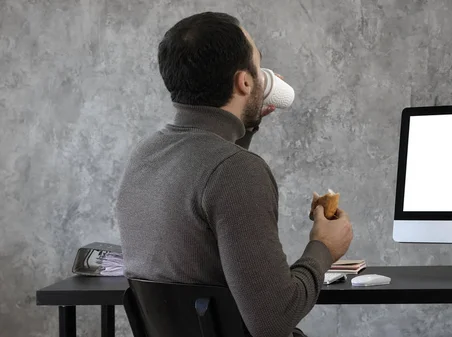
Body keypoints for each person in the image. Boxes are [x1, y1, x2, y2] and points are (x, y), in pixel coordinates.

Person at [116, 12, 354, 337]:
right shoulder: (237, 171)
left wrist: (247, 122)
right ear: (245, 82)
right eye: (258, 66)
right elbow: (273, 321)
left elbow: (211, 169)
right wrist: (323, 247)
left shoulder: (145, 156)